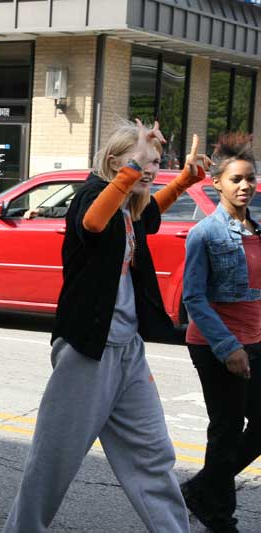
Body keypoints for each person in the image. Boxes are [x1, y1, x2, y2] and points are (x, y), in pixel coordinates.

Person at [3, 124, 211, 532]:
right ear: (115, 164)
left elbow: (152, 212)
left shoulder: (130, 208)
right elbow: (94, 223)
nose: (150, 169)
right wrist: (131, 172)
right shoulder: (89, 199)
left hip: (127, 351)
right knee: (53, 462)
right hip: (86, 352)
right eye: (140, 162)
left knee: (153, 457)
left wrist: (186, 178)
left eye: (154, 162)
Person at [180, 133, 259, 533]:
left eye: (250, 178)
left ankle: (200, 490)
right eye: (236, 180)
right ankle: (219, 516)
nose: (245, 185)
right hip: (216, 344)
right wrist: (228, 347)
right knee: (226, 429)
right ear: (217, 184)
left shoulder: (257, 231)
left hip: (255, 340)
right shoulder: (205, 234)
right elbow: (193, 298)